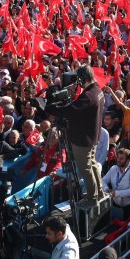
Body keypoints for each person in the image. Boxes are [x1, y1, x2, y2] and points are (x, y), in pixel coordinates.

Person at [45, 65, 105, 204]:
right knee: (92, 164)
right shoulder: (97, 91)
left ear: (82, 79)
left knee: (86, 168)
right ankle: (99, 191)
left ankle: (92, 197)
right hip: (92, 136)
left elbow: (70, 111)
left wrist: (51, 109)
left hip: (83, 140)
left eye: (78, 80)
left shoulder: (89, 96)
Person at [102, 147, 130, 218]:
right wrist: (106, 189)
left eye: (121, 158)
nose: (118, 160)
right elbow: (103, 180)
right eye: (118, 158)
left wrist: (116, 193)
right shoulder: (113, 168)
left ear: (128, 161)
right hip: (116, 205)